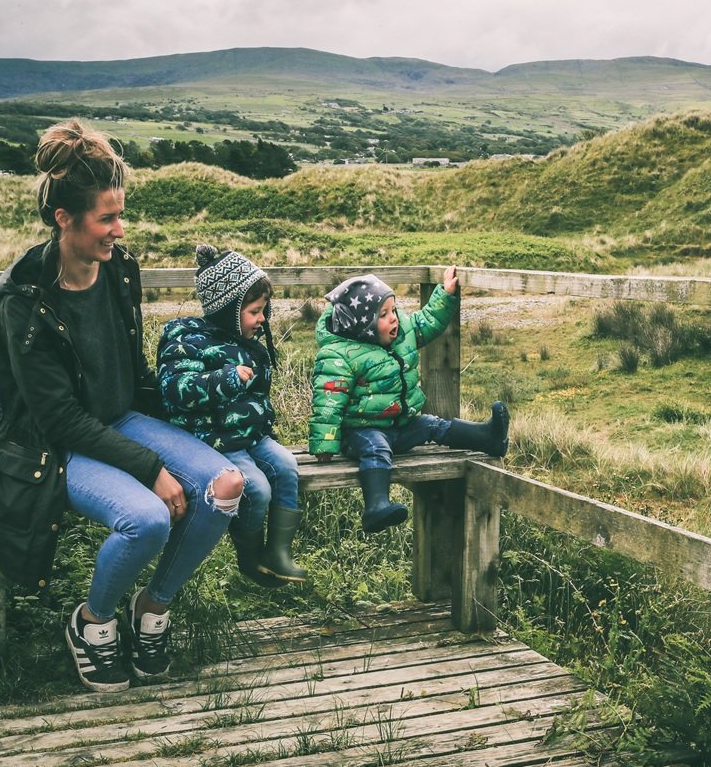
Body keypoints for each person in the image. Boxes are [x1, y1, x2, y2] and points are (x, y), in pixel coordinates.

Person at [0, 120, 244, 693]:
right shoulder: (24, 300)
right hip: (54, 444)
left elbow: (133, 368)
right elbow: (58, 418)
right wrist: (152, 468)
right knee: (144, 518)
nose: (118, 230)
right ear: (63, 219)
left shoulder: (119, 269)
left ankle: (152, 607)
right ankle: (93, 622)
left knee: (224, 485)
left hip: (120, 421)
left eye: (121, 216)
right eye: (106, 218)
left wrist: (176, 437)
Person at [309, 267, 510, 532]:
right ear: (363, 326)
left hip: (398, 425)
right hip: (360, 431)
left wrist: (445, 294)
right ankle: (376, 507)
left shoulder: (401, 332)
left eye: (394, 310)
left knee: (432, 424)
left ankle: (488, 438)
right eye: (383, 315)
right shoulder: (340, 355)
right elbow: (328, 403)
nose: (394, 319)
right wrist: (324, 445)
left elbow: (425, 323)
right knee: (376, 447)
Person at [156, 245, 304, 586]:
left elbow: (257, 399)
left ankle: (279, 554)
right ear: (227, 310)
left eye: (263, 310)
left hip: (250, 436)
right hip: (215, 439)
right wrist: (224, 379)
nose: (262, 319)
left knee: (286, 467)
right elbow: (175, 389)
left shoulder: (247, 341)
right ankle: (250, 558)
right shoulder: (187, 341)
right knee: (258, 489)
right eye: (254, 311)